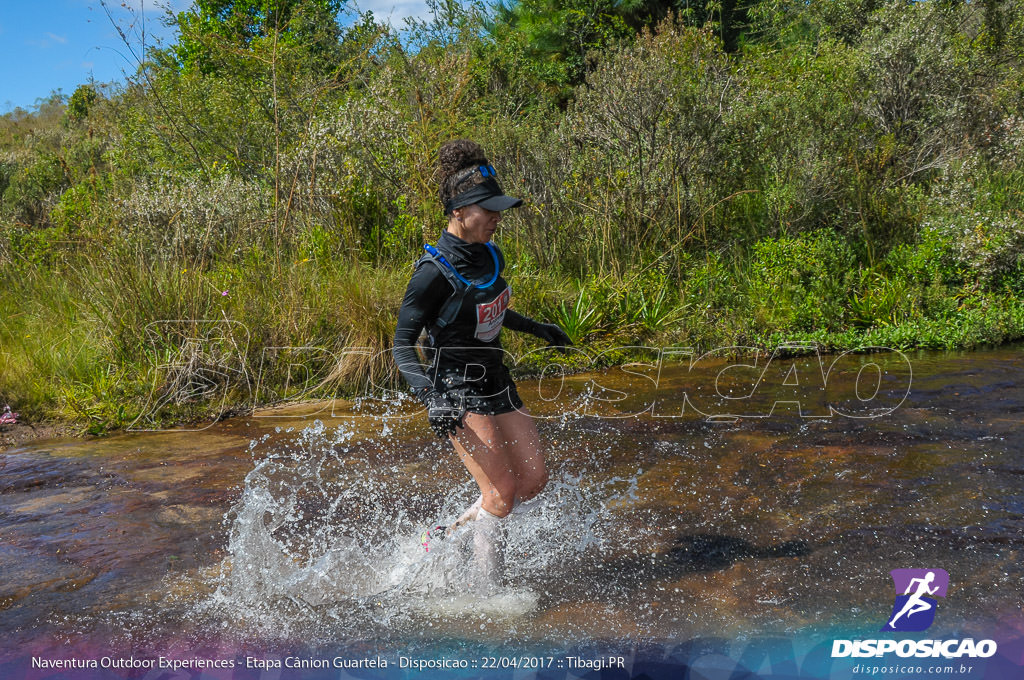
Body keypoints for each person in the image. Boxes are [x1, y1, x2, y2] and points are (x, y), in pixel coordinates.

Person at [391, 139, 571, 590]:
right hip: (454, 387)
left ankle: (445, 536)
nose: (496, 217)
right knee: (500, 494)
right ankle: (489, 594)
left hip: (495, 376)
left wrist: (537, 328)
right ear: (457, 210)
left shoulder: (490, 254)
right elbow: (401, 346)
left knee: (532, 480)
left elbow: (485, 306)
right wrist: (432, 400)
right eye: (486, 209)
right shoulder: (430, 272)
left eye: (499, 208)